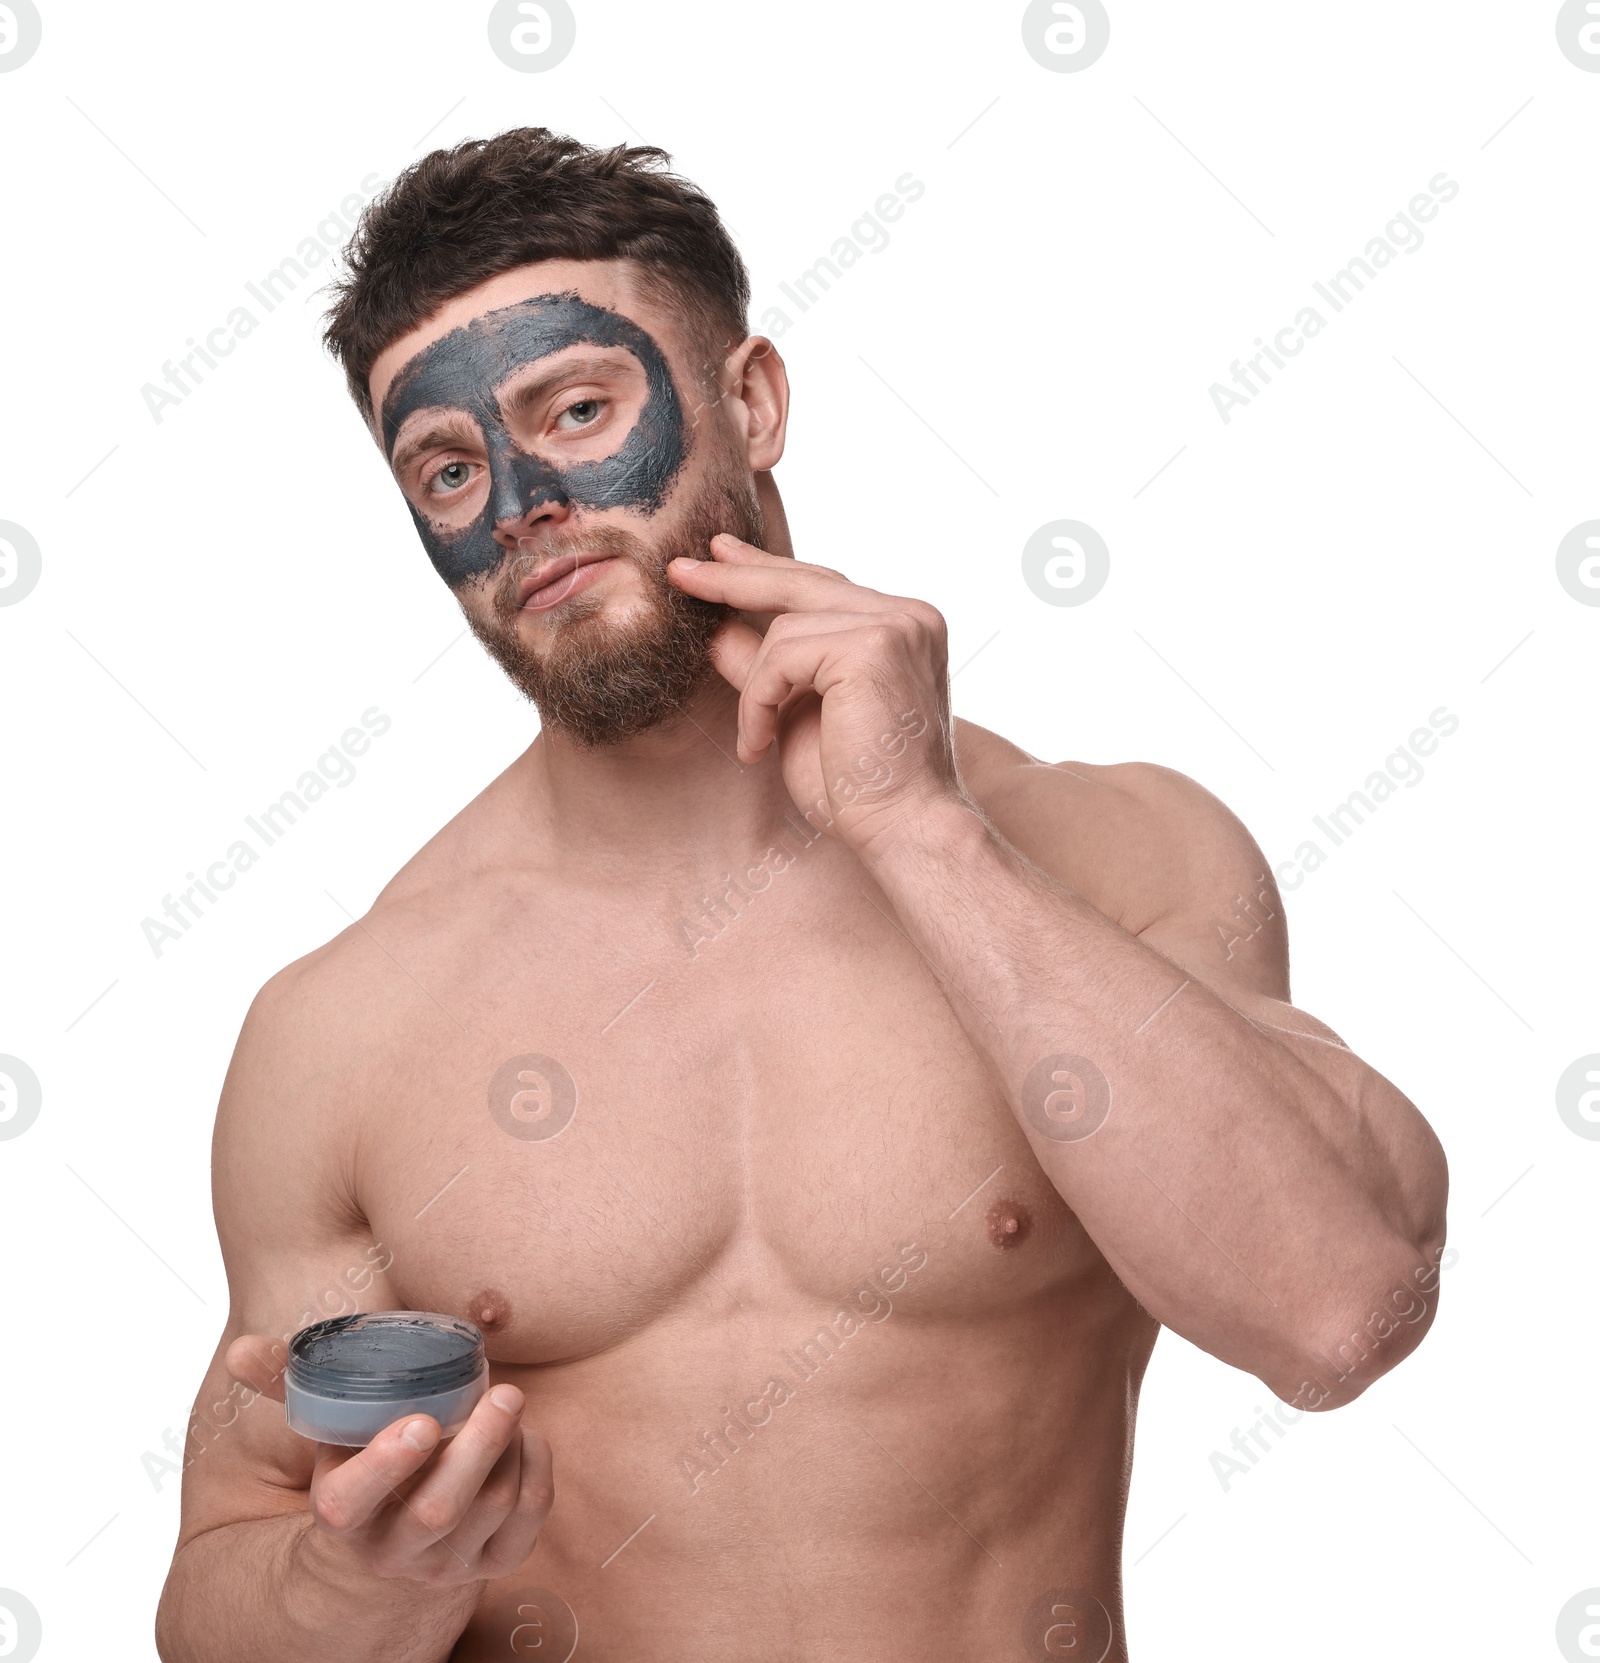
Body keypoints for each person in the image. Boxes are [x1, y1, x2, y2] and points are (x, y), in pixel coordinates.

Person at [154, 128, 1449, 1663]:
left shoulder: (1119, 855)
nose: (522, 503)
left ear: (752, 401)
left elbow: (1338, 1316)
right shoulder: (342, 1025)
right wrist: (361, 1587)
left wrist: (923, 831)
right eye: (447, 467)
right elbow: (225, 1584)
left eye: (575, 408)